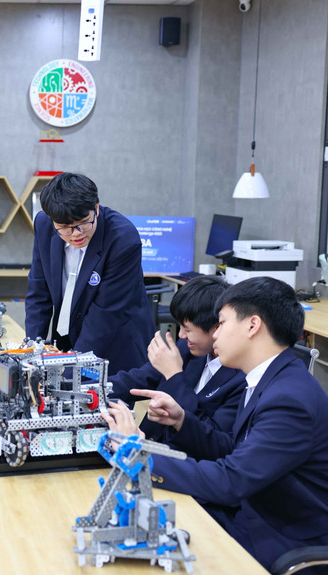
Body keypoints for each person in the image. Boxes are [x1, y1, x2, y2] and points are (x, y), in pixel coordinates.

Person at [103, 277, 328, 571]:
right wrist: (182, 420)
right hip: (246, 513)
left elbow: (232, 480)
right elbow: (235, 451)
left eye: (221, 323)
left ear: (252, 326)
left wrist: (137, 453)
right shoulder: (270, 378)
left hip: (274, 536)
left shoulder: (289, 400)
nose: (215, 334)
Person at [25, 172, 153, 375]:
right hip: (66, 337)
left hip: (114, 347)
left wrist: (70, 374)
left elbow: (104, 315)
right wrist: (32, 353)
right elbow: (38, 291)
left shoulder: (122, 239)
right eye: (65, 228)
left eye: (84, 222)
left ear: (96, 208)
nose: (76, 234)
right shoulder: (43, 225)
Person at [110, 275, 246, 442]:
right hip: (149, 441)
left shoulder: (242, 376)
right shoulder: (188, 347)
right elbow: (138, 378)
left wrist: (174, 374)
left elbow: (212, 436)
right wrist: (92, 390)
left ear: (216, 327)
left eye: (187, 329)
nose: (181, 335)